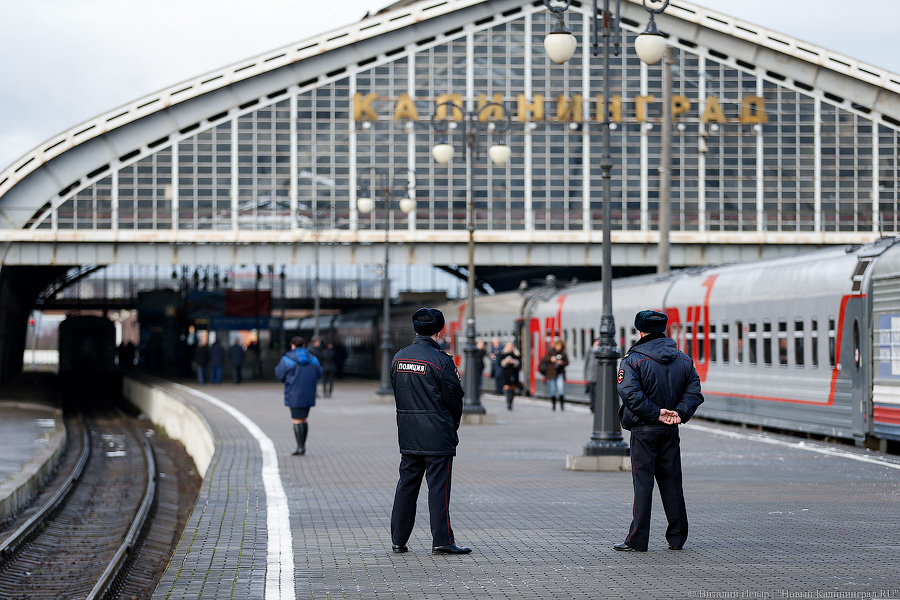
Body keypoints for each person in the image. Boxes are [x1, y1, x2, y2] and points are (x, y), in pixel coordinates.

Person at [614, 309, 704, 553]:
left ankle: (637, 540)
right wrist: (679, 413)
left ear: (639, 331)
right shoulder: (683, 359)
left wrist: (655, 412)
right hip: (671, 429)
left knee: (643, 483)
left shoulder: (632, 360)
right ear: (663, 329)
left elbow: (629, 394)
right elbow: (694, 392)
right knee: (672, 482)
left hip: (644, 429)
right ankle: (677, 538)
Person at [389, 307, 470, 555]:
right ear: (439, 330)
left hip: (409, 434)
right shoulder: (442, 361)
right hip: (437, 435)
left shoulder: (398, 358)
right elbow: (454, 399)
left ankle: (398, 539)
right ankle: (442, 540)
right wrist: (451, 426)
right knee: (438, 489)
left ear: (416, 330)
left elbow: (398, 393)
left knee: (406, 486)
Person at [275, 336, 323, 456]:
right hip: (308, 392)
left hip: (294, 392)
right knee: (304, 419)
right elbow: (319, 373)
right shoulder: (313, 359)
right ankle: (303, 446)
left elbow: (279, 374)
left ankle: (300, 447)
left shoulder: (286, 359)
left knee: (296, 420)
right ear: (304, 345)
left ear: (292, 346)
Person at [540, 338, 569, 410]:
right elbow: (544, 359)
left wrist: (562, 363)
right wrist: (551, 359)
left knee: (561, 389)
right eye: (558, 346)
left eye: (560, 346)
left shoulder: (563, 353)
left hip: (560, 373)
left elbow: (567, 362)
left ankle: (562, 406)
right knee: (552, 390)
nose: (559, 347)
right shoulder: (550, 352)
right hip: (551, 374)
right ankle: (553, 405)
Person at [498, 341, 521, 410]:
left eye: (511, 346)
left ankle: (511, 403)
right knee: (507, 388)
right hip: (505, 373)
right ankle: (508, 403)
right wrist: (506, 361)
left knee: (512, 389)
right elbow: (500, 363)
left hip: (514, 373)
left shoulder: (516, 354)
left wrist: (513, 361)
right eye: (508, 346)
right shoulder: (503, 354)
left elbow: (519, 363)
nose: (510, 348)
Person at [583, 338, 600, 414]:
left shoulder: (601, 351)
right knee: (592, 392)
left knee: (597, 392)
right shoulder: (590, 351)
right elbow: (586, 363)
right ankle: (592, 405)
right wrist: (585, 376)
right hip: (591, 374)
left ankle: (596, 406)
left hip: (598, 374)